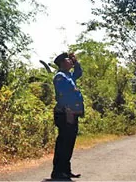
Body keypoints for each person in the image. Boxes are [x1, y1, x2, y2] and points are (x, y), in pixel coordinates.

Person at [51, 52, 84, 180]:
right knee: (64, 143)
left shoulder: (69, 76)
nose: (70, 61)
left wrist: (76, 62)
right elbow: (63, 96)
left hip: (71, 113)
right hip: (65, 113)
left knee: (69, 143)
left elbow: (79, 73)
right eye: (68, 60)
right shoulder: (60, 77)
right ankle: (58, 172)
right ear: (62, 63)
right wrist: (69, 111)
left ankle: (66, 170)